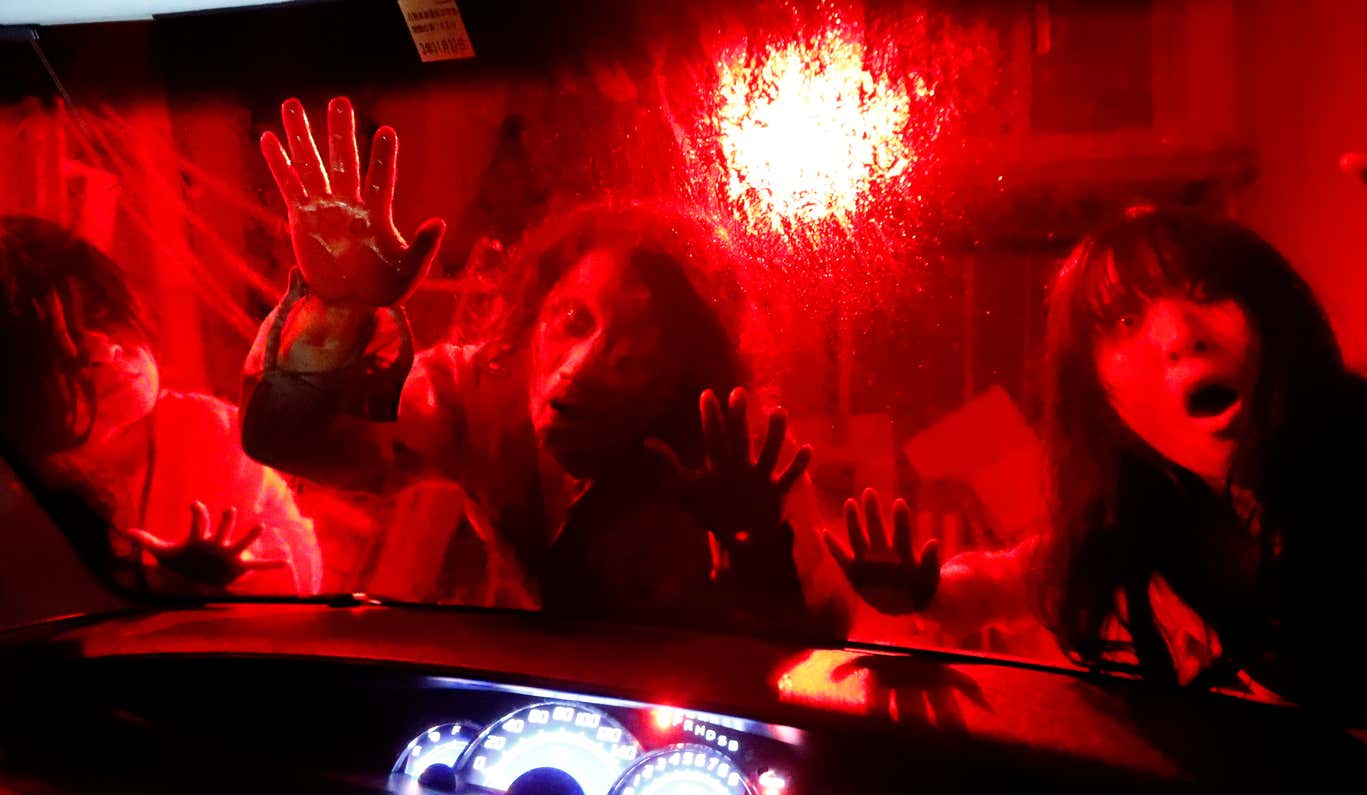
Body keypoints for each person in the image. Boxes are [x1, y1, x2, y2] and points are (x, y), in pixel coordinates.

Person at [825, 41, 1367, 715]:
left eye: (1205, 291)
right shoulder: (1146, 521)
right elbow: (1014, 576)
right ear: (1101, 396)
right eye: (1124, 321)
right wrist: (926, 595)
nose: (1177, 335)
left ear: (1278, 312)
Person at [241, 97, 840, 635]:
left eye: (634, 358)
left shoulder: (740, 450)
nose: (579, 370)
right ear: (535, 311)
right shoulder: (470, 391)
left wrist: (755, 542)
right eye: (574, 322)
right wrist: (332, 309)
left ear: (679, 380)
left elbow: (819, 643)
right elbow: (287, 438)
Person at [0, 215, 321, 595]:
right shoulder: (19, 494)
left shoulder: (211, 431)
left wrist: (237, 573)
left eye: (101, 315)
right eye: (59, 349)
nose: (106, 349)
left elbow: (302, 572)